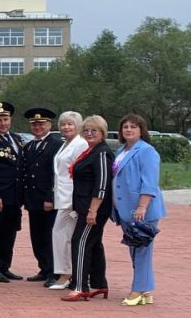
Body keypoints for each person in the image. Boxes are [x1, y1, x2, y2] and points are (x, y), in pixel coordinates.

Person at [113, 114, 166, 307]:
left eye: (133, 127)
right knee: (136, 250)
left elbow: (150, 182)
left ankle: (137, 290)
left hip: (142, 210)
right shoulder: (122, 150)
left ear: (141, 130)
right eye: (125, 127)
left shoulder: (146, 151)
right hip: (125, 209)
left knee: (142, 250)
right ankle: (145, 290)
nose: (128, 130)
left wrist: (142, 206)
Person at [61, 115, 114, 302]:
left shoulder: (101, 153)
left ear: (103, 133)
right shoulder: (91, 151)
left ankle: (79, 286)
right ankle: (99, 284)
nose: (89, 134)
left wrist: (93, 211)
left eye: (94, 130)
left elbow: (102, 184)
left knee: (80, 242)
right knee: (94, 244)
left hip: (94, 208)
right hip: (86, 207)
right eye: (86, 130)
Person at [0, 101, 24, 283]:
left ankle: (5, 266)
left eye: (5, 119)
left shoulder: (16, 139)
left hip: (14, 196)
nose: (3, 123)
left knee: (10, 232)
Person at [21, 108, 63, 286]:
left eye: (41, 124)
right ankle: (44, 268)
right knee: (36, 236)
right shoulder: (29, 146)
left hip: (47, 200)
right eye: (34, 124)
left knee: (49, 236)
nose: (37, 127)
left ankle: (54, 271)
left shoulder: (56, 145)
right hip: (32, 199)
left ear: (49, 125)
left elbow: (56, 174)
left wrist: (50, 197)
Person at [49, 111, 87, 291]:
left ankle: (66, 273)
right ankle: (65, 272)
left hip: (73, 197)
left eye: (70, 124)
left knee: (63, 234)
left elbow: (80, 173)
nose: (66, 127)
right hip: (62, 196)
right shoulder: (66, 144)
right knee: (61, 234)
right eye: (63, 124)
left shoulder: (81, 144)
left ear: (78, 125)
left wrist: (76, 199)